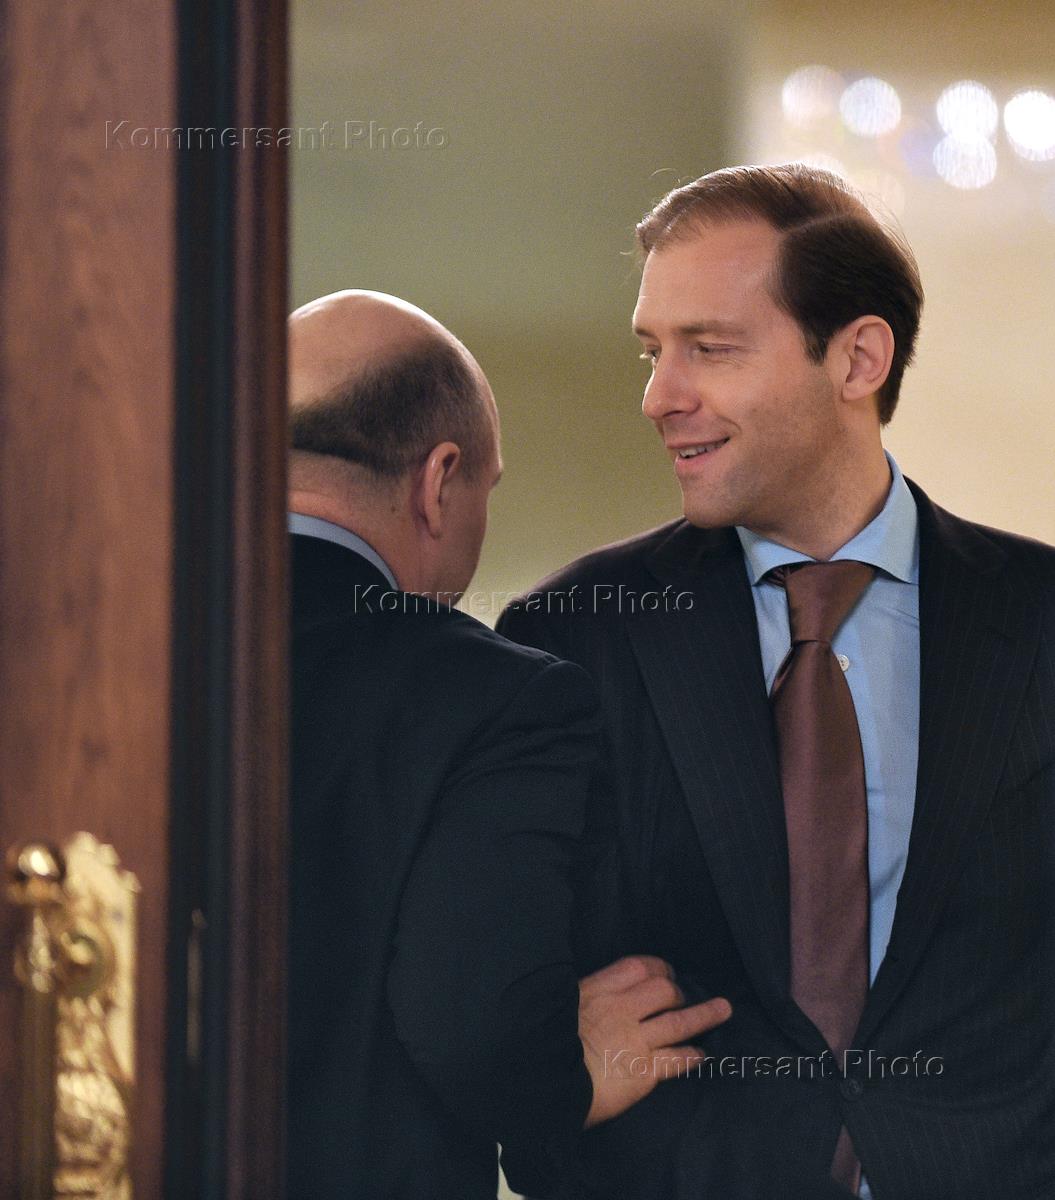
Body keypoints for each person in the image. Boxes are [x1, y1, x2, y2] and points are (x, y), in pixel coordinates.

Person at [497, 165, 1055, 1200]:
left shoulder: (1036, 620)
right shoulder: (571, 636)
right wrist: (545, 1066)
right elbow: (502, 998)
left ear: (856, 358)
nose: (659, 396)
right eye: (652, 351)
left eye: (708, 348)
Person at [286, 290, 730, 1200]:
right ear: (438, 480)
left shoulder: (91, 646)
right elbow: (469, 1021)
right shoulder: (492, 697)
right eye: (486, 491)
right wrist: (563, 1073)